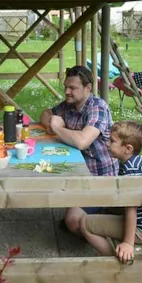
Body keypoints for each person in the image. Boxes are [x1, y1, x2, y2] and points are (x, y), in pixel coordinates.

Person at [80, 120, 142, 263]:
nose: (107, 143)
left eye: (112, 141)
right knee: (104, 211)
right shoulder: (134, 161)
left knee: (85, 223)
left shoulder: (131, 173)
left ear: (128, 148)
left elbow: (131, 209)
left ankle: (116, 259)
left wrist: (128, 243)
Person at [39, 66, 119, 234]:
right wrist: (51, 123)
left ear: (88, 88)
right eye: (66, 87)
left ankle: (108, 214)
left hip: (99, 178)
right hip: (77, 171)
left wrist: (57, 128)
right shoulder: (70, 104)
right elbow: (45, 114)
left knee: (72, 221)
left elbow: (83, 141)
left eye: (73, 88)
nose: (67, 91)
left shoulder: (97, 107)